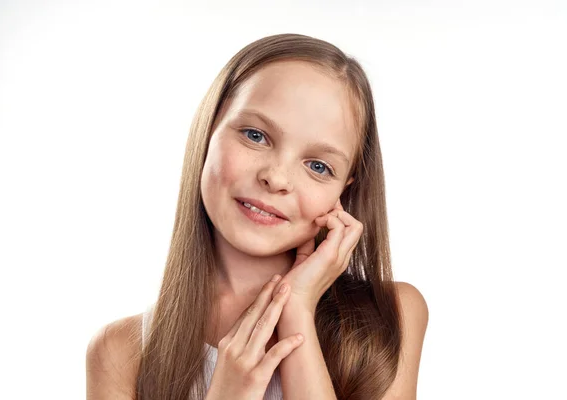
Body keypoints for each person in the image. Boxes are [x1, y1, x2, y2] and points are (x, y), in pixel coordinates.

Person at [86, 33, 428, 400]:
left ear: (344, 188)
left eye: (318, 166)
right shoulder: (121, 353)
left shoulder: (391, 316)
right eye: (255, 135)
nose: (276, 178)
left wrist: (296, 308)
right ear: (209, 127)